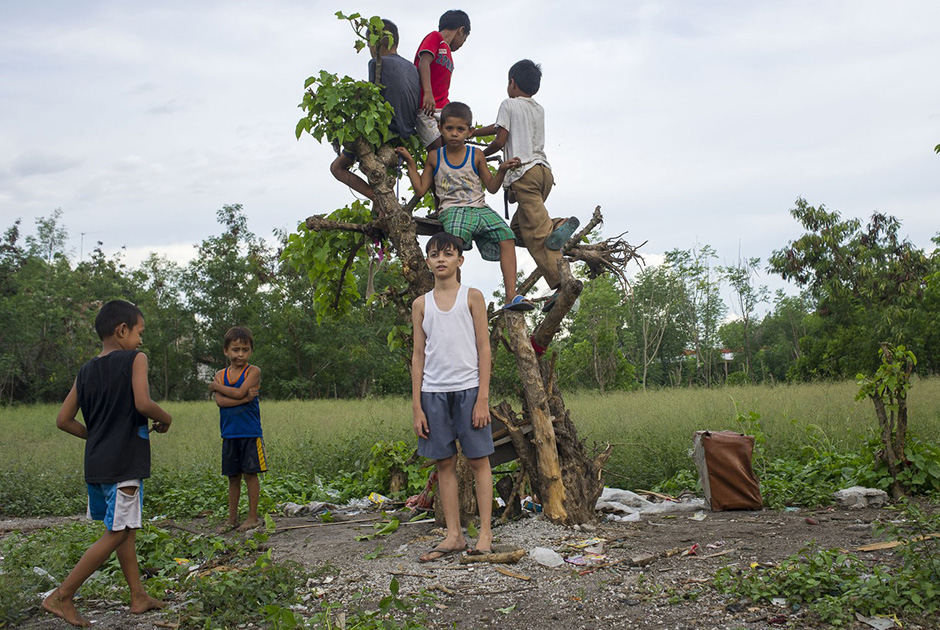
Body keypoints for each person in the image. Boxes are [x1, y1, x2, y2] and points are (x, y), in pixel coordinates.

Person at [42, 300, 172, 627]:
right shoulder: (135, 359)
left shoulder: (85, 371)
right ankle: (62, 595)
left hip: (97, 465)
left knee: (123, 531)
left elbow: (63, 420)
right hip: (124, 465)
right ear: (122, 330)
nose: (141, 341)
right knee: (117, 532)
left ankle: (138, 596)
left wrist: (96, 435)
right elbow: (143, 402)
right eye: (139, 333)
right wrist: (166, 418)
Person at [395, 101, 534, 311]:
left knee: (507, 236)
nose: (454, 134)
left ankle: (511, 295)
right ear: (440, 129)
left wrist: (502, 170)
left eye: (460, 129)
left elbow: (493, 187)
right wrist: (411, 164)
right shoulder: (435, 156)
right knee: (453, 246)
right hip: (452, 210)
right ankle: (453, 295)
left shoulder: (476, 155)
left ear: (469, 132)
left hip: (480, 208)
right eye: (449, 128)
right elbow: (421, 189)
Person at [411, 232, 494, 561]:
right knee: (444, 463)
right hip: (433, 393)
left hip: (469, 390)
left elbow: (484, 348)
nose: (440, 259)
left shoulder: (472, 297)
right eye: (434, 254)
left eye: (447, 253)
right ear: (428, 261)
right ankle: (454, 534)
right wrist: (417, 406)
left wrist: (483, 397)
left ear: (460, 260)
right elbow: (418, 356)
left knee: (478, 461)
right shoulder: (421, 304)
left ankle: (485, 532)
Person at [475, 59, 580, 312]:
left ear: (511, 82)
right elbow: (499, 127)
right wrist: (473, 132)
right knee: (518, 232)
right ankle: (554, 225)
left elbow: (500, 138)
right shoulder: (538, 108)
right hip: (544, 173)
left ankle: (562, 286)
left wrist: (481, 154)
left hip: (524, 176)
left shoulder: (508, 104)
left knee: (539, 236)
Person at [330, 18, 420, 201]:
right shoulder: (411, 67)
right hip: (407, 130)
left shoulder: (377, 64)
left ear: (373, 44)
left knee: (337, 168)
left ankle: (376, 196)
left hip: (387, 131)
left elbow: (373, 102)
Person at [208, 326, 265, 532]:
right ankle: (231, 519)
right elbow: (221, 403)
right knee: (233, 477)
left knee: (251, 475)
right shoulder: (221, 374)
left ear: (250, 351)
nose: (240, 354)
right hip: (229, 434)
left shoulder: (253, 371)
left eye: (245, 349)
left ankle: (252, 517)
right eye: (235, 349)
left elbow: (240, 391)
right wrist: (243, 398)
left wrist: (217, 387)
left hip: (250, 433)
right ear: (226, 351)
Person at [413, 10, 471, 149]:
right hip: (426, 107)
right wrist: (428, 93)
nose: (462, 43)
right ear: (461, 30)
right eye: (464, 39)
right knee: (437, 148)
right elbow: (424, 62)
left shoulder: (449, 54)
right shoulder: (435, 37)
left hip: (443, 108)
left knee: (454, 147)